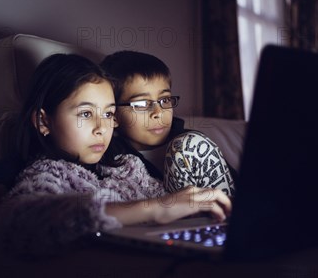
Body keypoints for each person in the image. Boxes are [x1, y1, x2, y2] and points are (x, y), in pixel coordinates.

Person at [0, 53, 231, 258]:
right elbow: (16, 220)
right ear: (43, 120)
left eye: (108, 114)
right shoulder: (49, 173)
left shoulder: (128, 165)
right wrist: (153, 209)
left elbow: (169, 205)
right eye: (85, 114)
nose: (101, 128)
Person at [100, 50, 236, 196]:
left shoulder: (195, 146)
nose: (158, 112)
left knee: (190, 144)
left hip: (220, 215)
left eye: (164, 100)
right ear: (113, 115)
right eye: (141, 104)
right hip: (163, 215)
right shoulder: (107, 158)